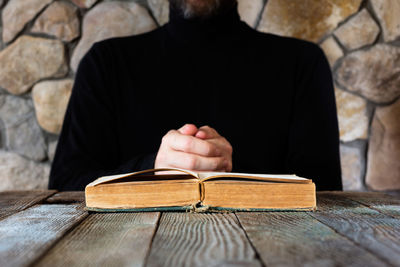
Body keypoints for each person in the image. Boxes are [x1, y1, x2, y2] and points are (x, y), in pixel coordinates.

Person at [49, 0, 342, 191]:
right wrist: (152, 169)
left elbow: (324, 194)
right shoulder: (106, 63)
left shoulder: (302, 64)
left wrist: (226, 172)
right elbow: (64, 187)